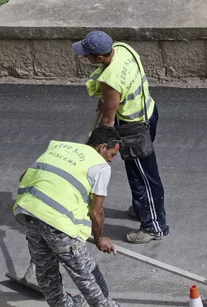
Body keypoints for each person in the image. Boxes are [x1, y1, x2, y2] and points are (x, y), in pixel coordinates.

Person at [13, 127, 146, 307]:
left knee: (45, 268)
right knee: (87, 274)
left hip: (29, 213)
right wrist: (100, 238)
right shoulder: (100, 167)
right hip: (58, 224)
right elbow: (97, 212)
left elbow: (24, 177)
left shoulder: (59, 147)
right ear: (102, 147)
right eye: (112, 154)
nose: (111, 160)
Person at [72, 31, 169, 244]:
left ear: (99, 57)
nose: (85, 58)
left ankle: (154, 225)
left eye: (87, 55)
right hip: (149, 112)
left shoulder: (110, 80)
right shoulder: (124, 49)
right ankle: (141, 207)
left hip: (134, 129)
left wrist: (91, 148)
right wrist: (109, 101)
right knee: (140, 172)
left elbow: (107, 120)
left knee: (142, 176)